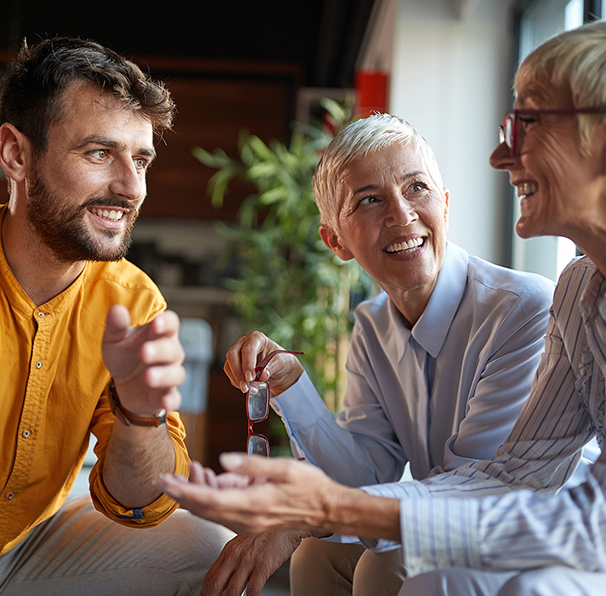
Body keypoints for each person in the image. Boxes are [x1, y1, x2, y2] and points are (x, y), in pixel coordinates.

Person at [159, 17, 606, 595]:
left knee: (479, 580)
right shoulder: (582, 291)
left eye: (527, 126)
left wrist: (326, 507)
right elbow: (513, 474)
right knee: (438, 580)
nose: (502, 157)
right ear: (336, 238)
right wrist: (313, 504)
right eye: (509, 129)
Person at [0, 37, 231, 595]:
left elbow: (142, 503)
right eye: (98, 153)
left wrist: (140, 416)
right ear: (16, 155)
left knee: (206, 548)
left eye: (141, 159)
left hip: (26, 550)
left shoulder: (133, 300)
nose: (131, 188)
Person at [201, 113, 554, 596]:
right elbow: (367, 472)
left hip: (541, 532)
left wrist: (307, 513)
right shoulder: (372, 325)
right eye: (369, 200)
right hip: (463, 525)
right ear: (336, 242)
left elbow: (478, 487)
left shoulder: (524, 310)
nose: (401, 214)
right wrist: (291, 386)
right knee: (317, 556)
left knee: (386, 566)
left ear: (445, 206)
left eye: (417, 188)